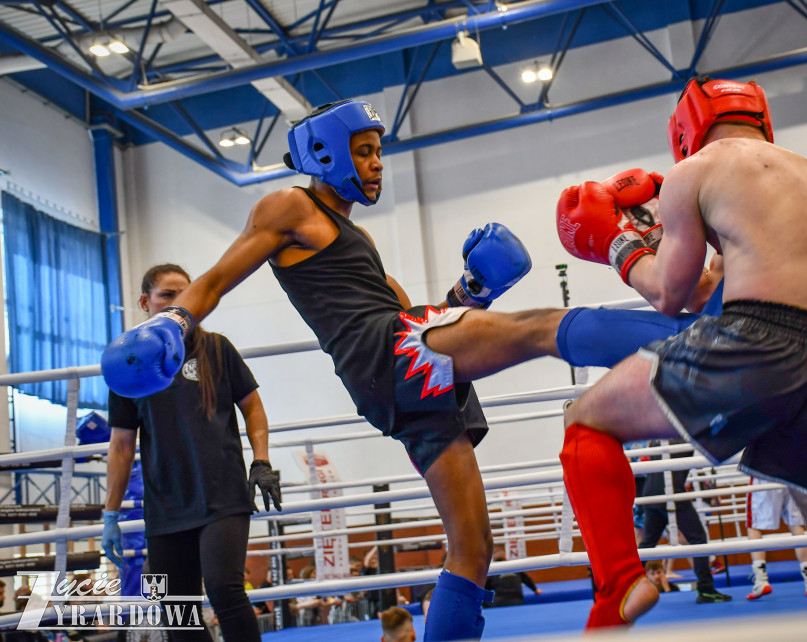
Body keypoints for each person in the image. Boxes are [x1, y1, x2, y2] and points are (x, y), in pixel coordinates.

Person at [100, 101, 729, 641]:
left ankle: (604, 587)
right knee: (540, 328)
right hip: (385, 354)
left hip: (397, 368)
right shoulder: (288, 207)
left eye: (379, 152)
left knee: (473, 549)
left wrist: (469, 292)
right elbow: (215, 279)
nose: (377, 164)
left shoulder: (356, 239)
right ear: (325, 153)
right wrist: (175, 321)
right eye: (365, 151)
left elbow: (413, 314)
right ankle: (710, 340)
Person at [555, 77, 807, 629]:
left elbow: (669, 295)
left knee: (585, 418)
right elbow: (707, 288)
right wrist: (663, 235)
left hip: (762, 340)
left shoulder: (696, 170)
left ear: (684, 131)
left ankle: (619, 585)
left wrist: (618, 241)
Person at [102, 263, 282, 641]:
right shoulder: (128, 362)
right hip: (166, 502)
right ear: (145, 302)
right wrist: (110, 513)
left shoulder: (216, 348)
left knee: (224, 590)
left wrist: (261, 460)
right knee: (176, 610)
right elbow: (121, 445)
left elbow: (253, 408)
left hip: (222, 493)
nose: (178, 303)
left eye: (184, 295)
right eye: (167, 295)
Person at [637, 442, 731, 604]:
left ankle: (627, 587)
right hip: (672, 492)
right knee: (698, 539)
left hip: (651, 492)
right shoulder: (683, 437)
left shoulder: (658, 438)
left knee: (648, 544)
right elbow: (712, 449)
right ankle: (706, 589)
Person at [745, 478, 807, 599]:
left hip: (765, 475)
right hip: (790, 476)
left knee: (754, 526)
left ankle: (761, 581)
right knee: (796, 526)